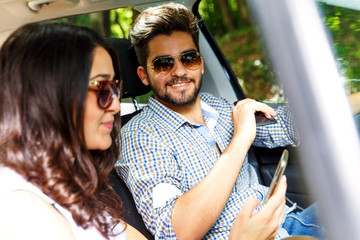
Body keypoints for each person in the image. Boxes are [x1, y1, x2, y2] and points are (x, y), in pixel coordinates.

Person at [116, 3, 326, 240]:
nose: (179, 71)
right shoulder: (140, 136)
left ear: (201, 64)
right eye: (163, 64)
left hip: (289, 221)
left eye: (189, 58)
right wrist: (240, 140)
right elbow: (176, 231)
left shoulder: (218, 106)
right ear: (144, 75)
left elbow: (292, 125)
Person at [0, 22, 147, 240]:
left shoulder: (66, 181)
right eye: (103, 89)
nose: (116, 105)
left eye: (115, 88)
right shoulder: (21, 207)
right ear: (50, 95)